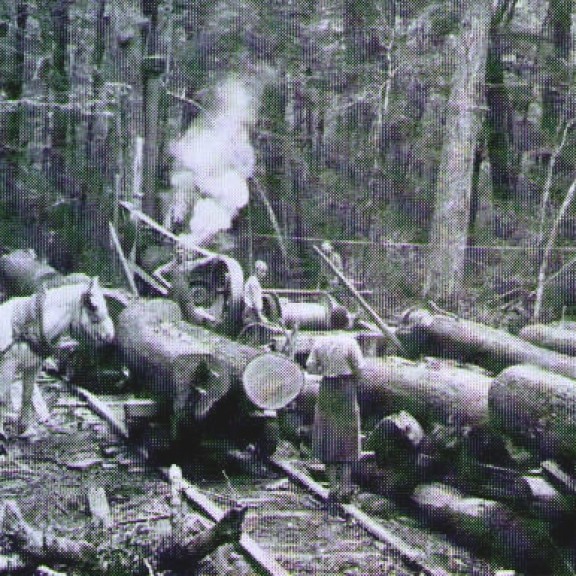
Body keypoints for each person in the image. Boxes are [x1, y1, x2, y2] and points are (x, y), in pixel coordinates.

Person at [306, 306, 364, 504]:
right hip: (346, 387)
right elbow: (359, 368)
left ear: (330, 322)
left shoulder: (320, 341)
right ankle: (346, 486)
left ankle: (333, 486)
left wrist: (325, 367)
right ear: (346, 322)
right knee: (347, 436)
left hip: (327, 388)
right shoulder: (350, 342)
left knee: (328, 433)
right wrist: (354, 381)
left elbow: (310, 366)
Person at [242, 260, 269, 326]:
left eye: (265, 272)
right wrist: (261, 317)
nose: (264, 274)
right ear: (256, 270)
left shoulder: (252, 280)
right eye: (262, 271)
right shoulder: (254, 283)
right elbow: (255, 302)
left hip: (249, 312)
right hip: (249, 313)